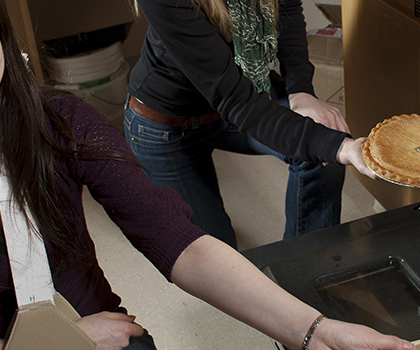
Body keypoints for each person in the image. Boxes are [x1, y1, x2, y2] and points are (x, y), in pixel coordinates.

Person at [0, 0, 403, 349]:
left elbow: (183, 246)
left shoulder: (59, 124)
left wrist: (313, 331)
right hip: (89, 337)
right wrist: (64, 345)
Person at [125, 0, 377, 248]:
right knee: (219, 265)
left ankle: (302, 266)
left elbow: (286, 6)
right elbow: (236, 100)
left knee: (322, 154)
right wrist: (340, 147)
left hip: (242, 91)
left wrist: (301, 91)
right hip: (167, 127)